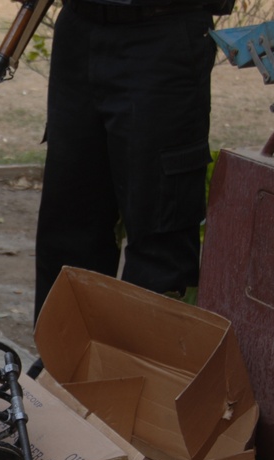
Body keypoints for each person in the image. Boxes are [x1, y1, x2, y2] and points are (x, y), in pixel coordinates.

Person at [33, 0, 231, 324]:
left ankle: (146, 369)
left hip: (162, 33)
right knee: (68, 228)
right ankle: (60, 367)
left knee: (160, 231)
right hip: (79, 27)